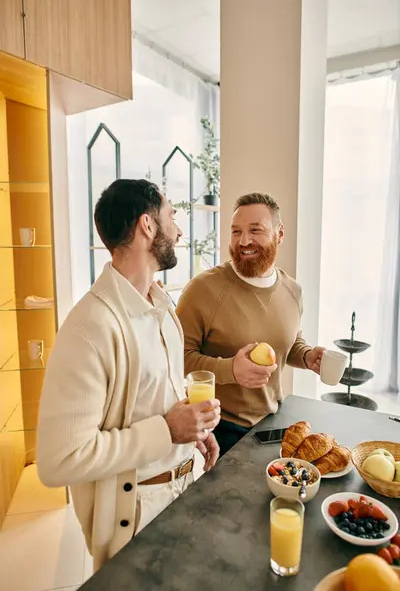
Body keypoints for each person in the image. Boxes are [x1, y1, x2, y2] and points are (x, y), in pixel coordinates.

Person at [36, 179, 221, 571]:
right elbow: (58, 461)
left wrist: (192, 434)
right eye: (172, 216)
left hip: (186, 494)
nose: (179, 229)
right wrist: (168, 432)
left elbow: (155, 403)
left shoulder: (163, 308)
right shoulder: (87, 329)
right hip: (138, 524)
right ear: (147, 226)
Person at [176, 192, 324, 457]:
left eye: (255, 230)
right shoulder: (202, 289)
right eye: (236, 232)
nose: (244, 241)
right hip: (217, 431)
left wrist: (307, 355)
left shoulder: (293, 290)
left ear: (279, 233)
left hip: (273, 426)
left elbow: (288, 342)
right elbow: (176, 361)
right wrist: (230, 369)